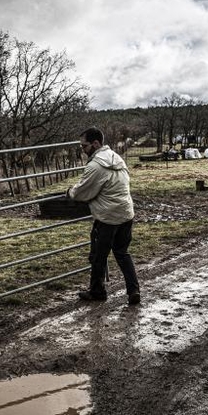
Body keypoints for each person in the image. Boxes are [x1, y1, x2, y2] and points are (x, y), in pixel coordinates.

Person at [67, 127, 141, 305]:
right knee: (122, 253)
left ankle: (97, 291)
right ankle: (133, 290)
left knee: (99, 255)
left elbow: (82, 193)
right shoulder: (117, 158)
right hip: (126, 213)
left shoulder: (95, 166)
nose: (82, 150)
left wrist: (70, 191)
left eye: (84, 146)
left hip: (107, 217)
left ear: (95, 143)